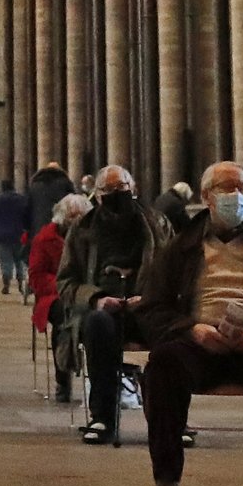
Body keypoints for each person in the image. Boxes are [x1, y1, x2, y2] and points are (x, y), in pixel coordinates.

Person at [124, 162, 243, 486]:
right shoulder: (179, 249)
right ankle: (166, 484)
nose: (237, 197)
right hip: (200, 343)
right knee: (162, 366)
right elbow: (151, 309)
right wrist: (191, 329)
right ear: (206, 197)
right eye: (228, 188)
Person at [67, 166, 165, 444]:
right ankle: (102, 417)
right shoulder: (82, 229)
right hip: (105, 309)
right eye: (110, 192)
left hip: (147, 307)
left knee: (172, 333)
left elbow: (173, 273)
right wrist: (96, 299)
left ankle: (169, 419)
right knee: (97, 326)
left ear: (133, 190)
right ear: (97, 196)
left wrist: (149, 298)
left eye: (122, 191)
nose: (117, 197)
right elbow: (67, 281)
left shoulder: (156, 225)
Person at [31, 191, 86, 399]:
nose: (76, 221)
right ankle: (63, 379)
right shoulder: (45, 239)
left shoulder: (90, 238)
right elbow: (37, 276)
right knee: (64, 318)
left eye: (80, 215)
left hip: (84, 294)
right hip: (54, 297)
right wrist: (65, 287)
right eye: (73, 216)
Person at [0, 178, 33, 295]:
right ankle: (21, 284)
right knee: (19, 261)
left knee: (5, 261)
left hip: (2, 235)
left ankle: (6, 283)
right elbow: (28, 217)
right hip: (19, 234)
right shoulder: (22, 200)